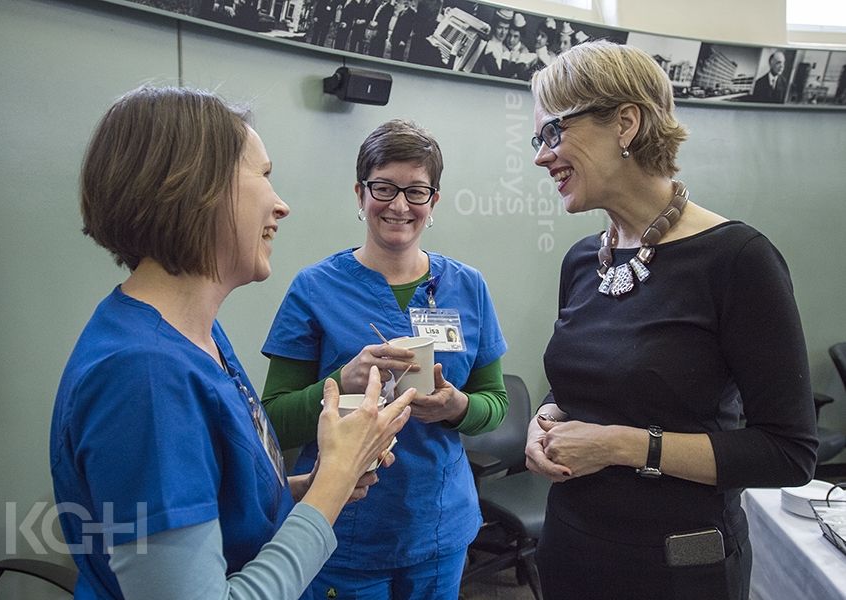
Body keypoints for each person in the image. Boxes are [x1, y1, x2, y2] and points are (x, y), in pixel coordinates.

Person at [50, 86, 413, 600]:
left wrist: (311, 486)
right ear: (198, 187)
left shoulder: (194, 336)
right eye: (263, 176)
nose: (281, 205)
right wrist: (332, 486)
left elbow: (220, 510)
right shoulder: (144, 374)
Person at [526, 40, 818, 600]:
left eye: (553, 132)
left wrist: (621, 445)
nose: (541, 157)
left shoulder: (738, 259)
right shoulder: (583, 260)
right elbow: (581, 387)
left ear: (625, 123)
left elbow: (788, 452)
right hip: (569, 549)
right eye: (537, 140)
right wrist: (545, 418)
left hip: (677, 566)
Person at [261, 119, 509, 599]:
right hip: (343, 526)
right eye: (384, 188)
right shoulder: (314, 288)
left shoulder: (467, 286)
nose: (399, 205)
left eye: (416, 191)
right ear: (360, 194)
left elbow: (494, 403)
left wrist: (457, 407)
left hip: (438, 524)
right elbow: (273, 421)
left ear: (433, 202)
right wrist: (342, 382)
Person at [473, 8, 511, 76]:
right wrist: (506, 55)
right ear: (494, 27)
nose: (503, 32)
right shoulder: (488, 47)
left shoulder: (504, 45)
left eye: (506, 29)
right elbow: (497, 76)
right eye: (500, 28)